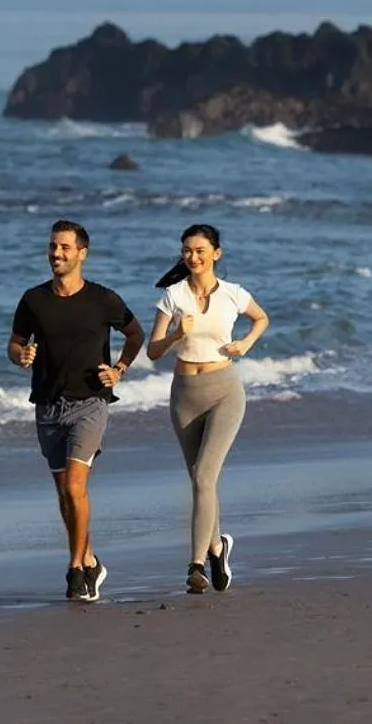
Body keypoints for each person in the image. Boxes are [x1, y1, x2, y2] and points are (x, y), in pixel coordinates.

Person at [8, 219, 144, 603]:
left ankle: (75, 570)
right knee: (65, 495)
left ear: (82, 253)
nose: (56, 253)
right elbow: (14, 344)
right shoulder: (33, 300)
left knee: (74, 486)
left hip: (89, 402)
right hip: (47, 406)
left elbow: (135, 334)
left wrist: (119, 369)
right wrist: (23, 356)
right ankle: (90, 559)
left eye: (65, 247)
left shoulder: (103, 300)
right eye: (53, 246)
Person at [144, 223, 270, 594]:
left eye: (200, 251)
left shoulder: (233, 294)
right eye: (187, 251)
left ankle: (195, 565)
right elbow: (152, 351)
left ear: (216, 253)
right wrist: (175, 335)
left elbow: (261, 318)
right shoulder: (172, 295)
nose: (192, 257)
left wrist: (246, 343)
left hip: (224, 391)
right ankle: (218, 547)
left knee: (203, 478)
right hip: (184, 393)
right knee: (200, 481)